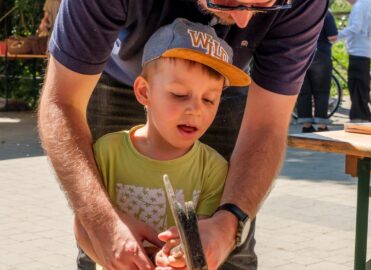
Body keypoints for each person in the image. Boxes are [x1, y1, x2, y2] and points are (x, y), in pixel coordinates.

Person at [37, 0, 328, 269]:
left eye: (265, 3)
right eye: (227, 1)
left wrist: (229, 226)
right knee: (102, 237)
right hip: (115, 75)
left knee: (232, 249)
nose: (243, 20)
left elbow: (267, 124)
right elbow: (62, 101)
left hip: (221, 78)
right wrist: (101, 222)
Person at [74, 18, 251, 269]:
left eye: (210, 99)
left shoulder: (214, 168)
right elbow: (84, 225)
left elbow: (200, 239)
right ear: (144, 92)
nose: (196, 110)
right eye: (179, 95)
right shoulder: (106, 153)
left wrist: (181, 257)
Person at [297, 10, 338, 133]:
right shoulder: (325, 13)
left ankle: (306, 125)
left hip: (300, 56)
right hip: (320, 55)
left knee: (304, 92)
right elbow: (333, 37)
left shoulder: (298, 11)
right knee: (322, 92)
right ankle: (321, 125)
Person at [338, 0, 371, 123]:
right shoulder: (367, 3)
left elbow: (355, 27)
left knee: (356, 84)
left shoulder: (359, 5)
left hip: (358, 50)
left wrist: (337, 35)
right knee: (360, 85)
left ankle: (359, 117)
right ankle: (360, 115)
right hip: (363, 49)